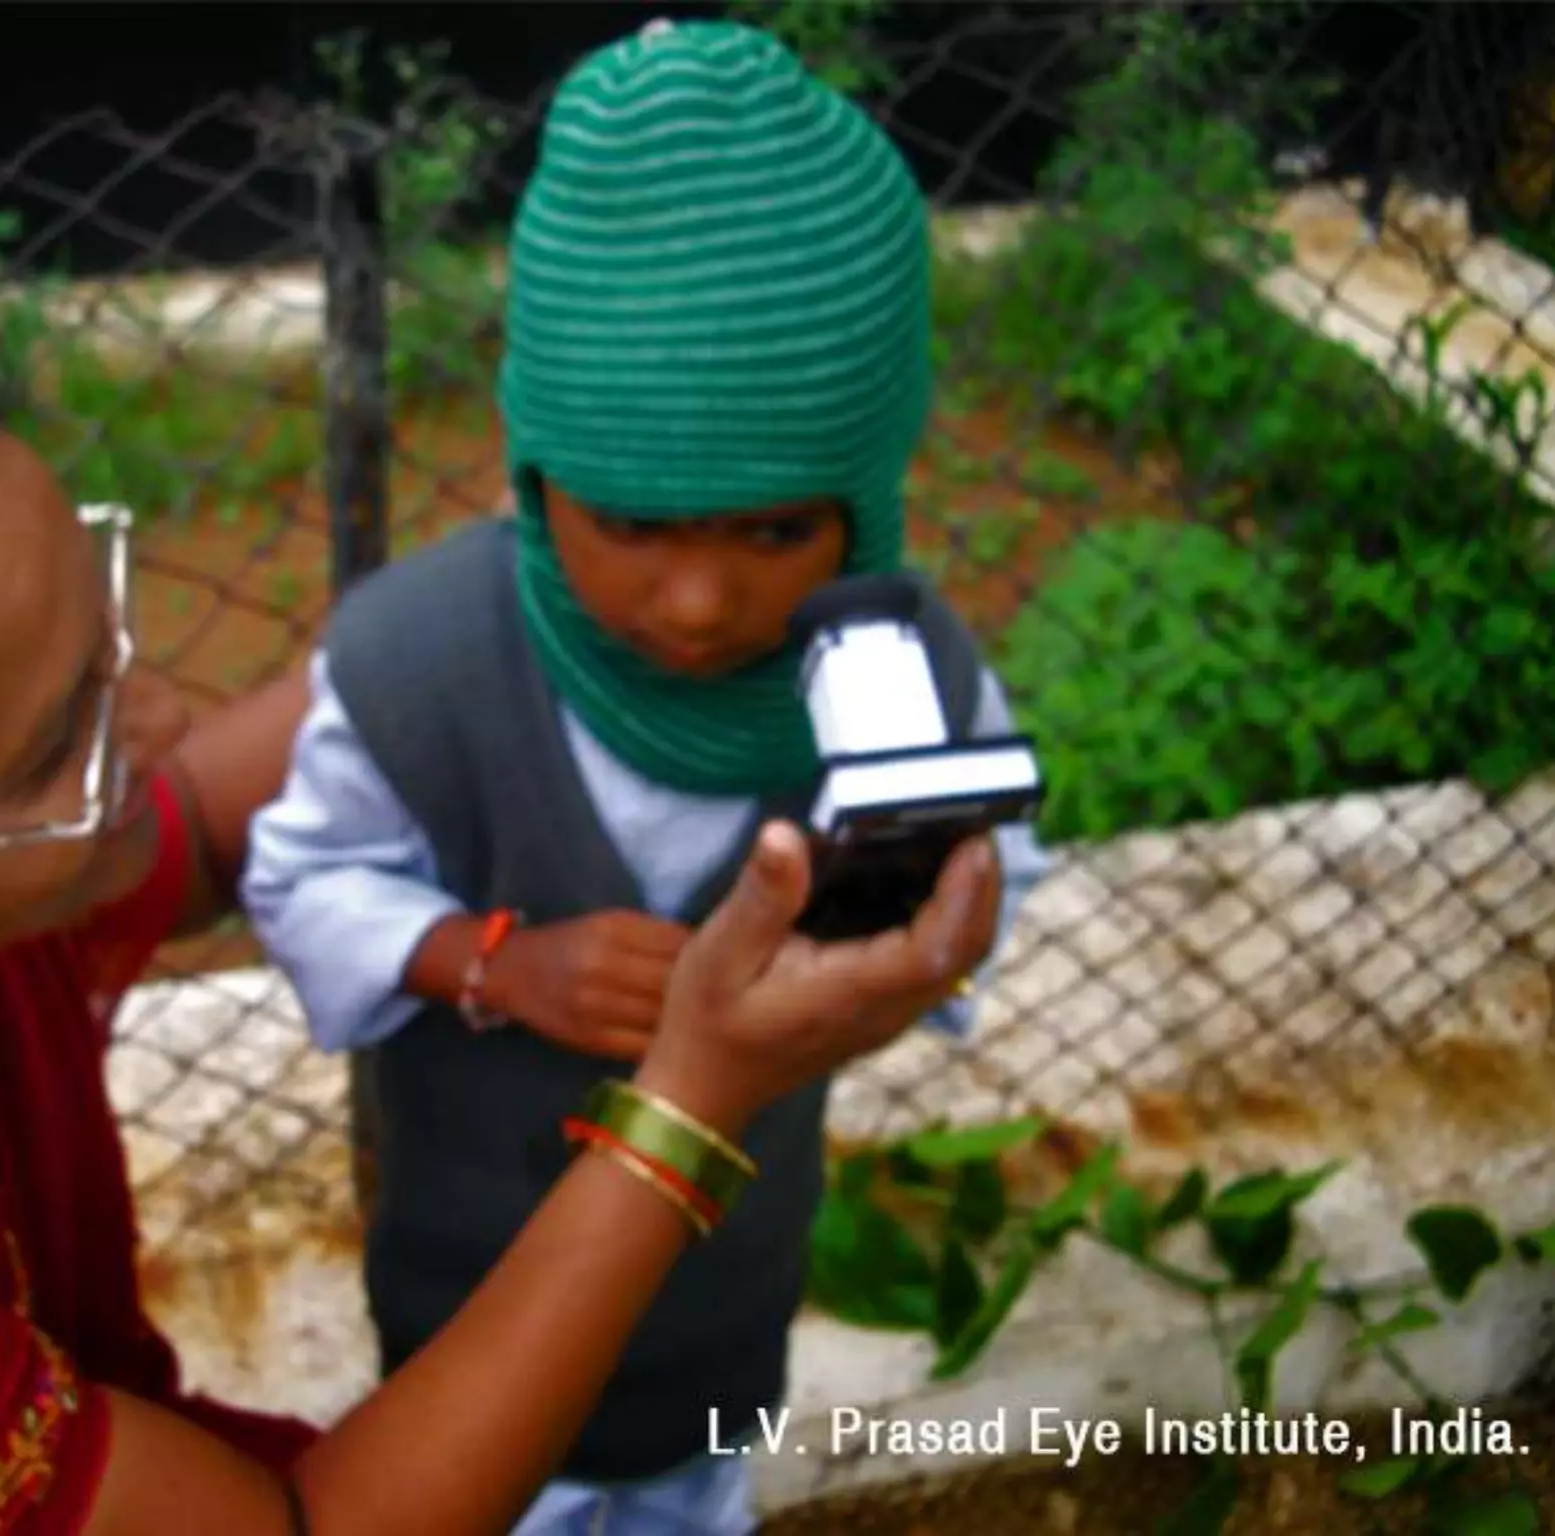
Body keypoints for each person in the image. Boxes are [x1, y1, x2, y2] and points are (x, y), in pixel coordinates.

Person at [0, 340, 1002, 1536]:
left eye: (109, 642)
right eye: (58, 746)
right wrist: (691, 1090)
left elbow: (194, 821)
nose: (153, 724)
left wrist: (558, 589)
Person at [241, 18, 1051, 1535]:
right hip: (465, 1336)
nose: (694, 605)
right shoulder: (417, 661)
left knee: (697, 1491)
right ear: (536, 472)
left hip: (728, 1307)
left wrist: (912, 948)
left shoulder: (903, 685)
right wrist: (488, 959)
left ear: (866, 505)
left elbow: (982, 879)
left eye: (772, 533)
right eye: (630, 523)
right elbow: (299, 876)